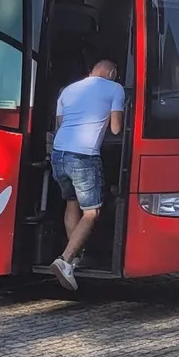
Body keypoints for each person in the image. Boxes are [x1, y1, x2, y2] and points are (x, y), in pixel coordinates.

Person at [49, 59, 125, 290]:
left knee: (71, 203)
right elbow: (115, 129)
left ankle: (74, 260)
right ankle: (65, 260)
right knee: (92, 211)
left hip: (59, 153)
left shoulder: (68, 90)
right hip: (84, 155)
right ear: (111, 73)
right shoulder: (115, 89)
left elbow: (61, 124)